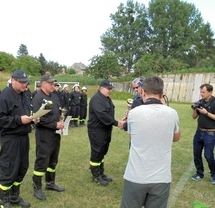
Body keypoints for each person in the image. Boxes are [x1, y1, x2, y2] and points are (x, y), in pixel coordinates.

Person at [120, 76, 181, 208]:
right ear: (161, 94)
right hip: (161, 178)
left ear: (143, 92)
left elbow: (132, 138)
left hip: (135, 176)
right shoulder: (172, 113)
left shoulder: (134, 113)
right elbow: (176, 138)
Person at [0, 69, 35, 208]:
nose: (25, 85)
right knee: (9, 168)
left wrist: (34, 118)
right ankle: (4, 200)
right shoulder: (5, 96)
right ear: (13, 80)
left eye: (26, 82)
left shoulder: (25, 95)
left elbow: (26, 113)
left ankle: (14, 196)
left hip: (23, 137)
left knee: (22, 167)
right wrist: (18, 120)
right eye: (22, 82)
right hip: (10, 138)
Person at [31, 74, 65, 201]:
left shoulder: (54, 96)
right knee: (42, 160)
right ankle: (37, 187)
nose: (53, 85)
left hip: (55, 134)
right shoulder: (38, 98)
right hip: (44, 134)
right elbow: (38, 118)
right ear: (43, 83)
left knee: (53, 159)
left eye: (53, 83)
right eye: (50, 83)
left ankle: (50, 183)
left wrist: (60, 123)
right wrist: (54, 124)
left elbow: (57, 113)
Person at [88, 79, 124, 186]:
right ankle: (95, 175)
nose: (110, 91)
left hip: (105, 129)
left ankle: (101, 173)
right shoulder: (96, 99)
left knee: (103, 151)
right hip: (97, 130)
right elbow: (102, 115)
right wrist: (117, 123)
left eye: (111, 89)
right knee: (97, 152)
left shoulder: (106, 99)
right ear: (101, 88)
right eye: (108, 89)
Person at [191, 83, 215, 184]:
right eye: (200, 92)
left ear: (210, 92)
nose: (201, 94)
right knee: (196, 154)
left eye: (203, 92)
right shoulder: (200, 102)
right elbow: (194, 117)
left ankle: (214, 174)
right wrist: (194, 109)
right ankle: (199, 173)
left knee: (208, 155)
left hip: (210, 133)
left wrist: (206, 113)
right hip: (199, 131)